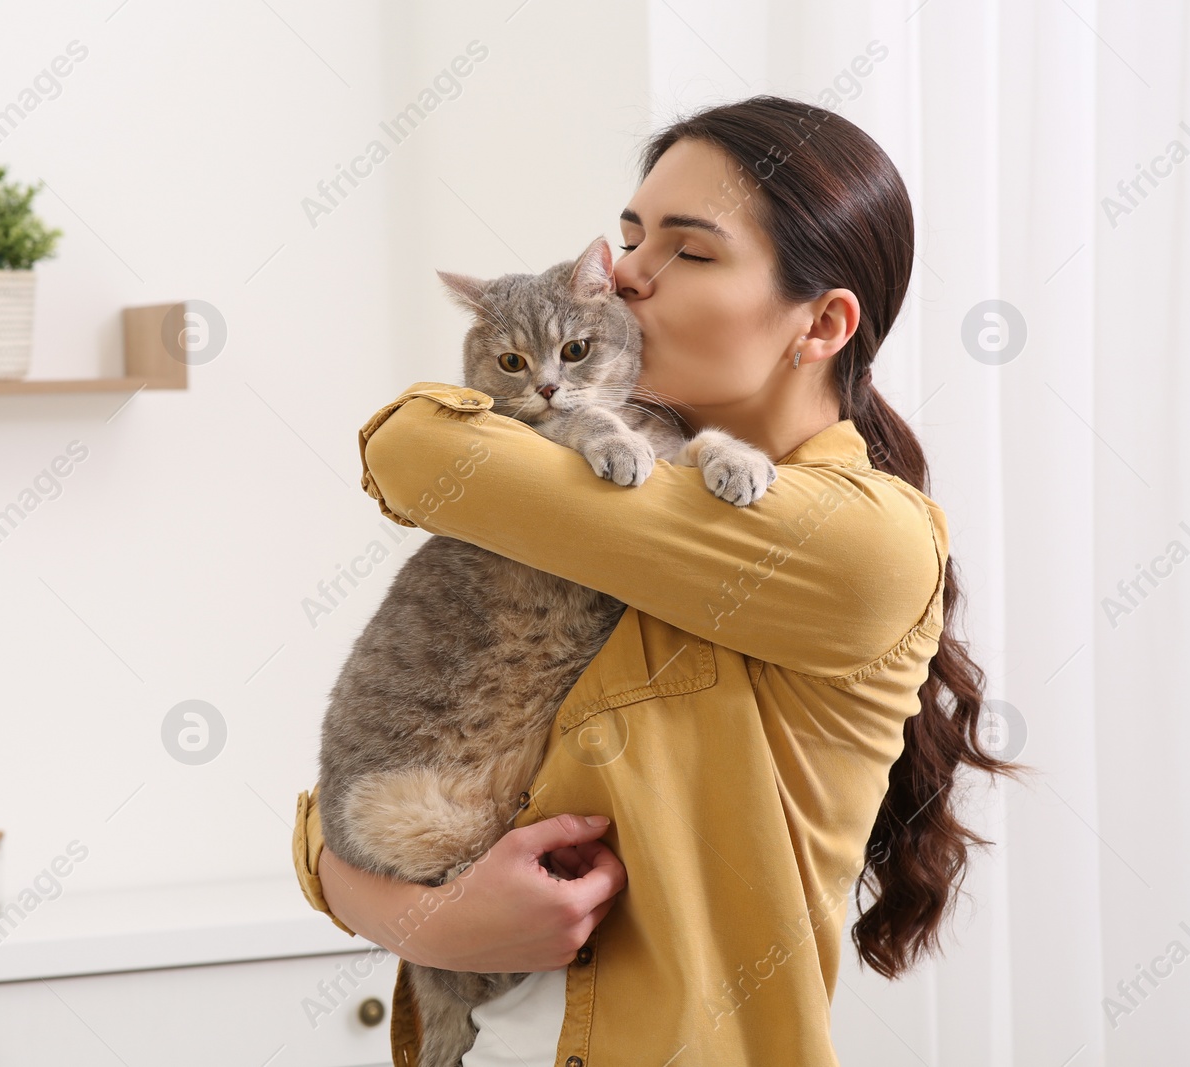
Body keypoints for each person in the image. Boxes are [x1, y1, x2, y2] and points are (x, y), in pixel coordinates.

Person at [291, 95, 1028, 1067]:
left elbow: (414, 447)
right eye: (631, 234)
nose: (627, 273)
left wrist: (410, 914)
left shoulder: (868, 541)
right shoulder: (615, 504)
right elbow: (336, 831)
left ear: (820, 324)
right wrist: (431, 923)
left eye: (689, 249)